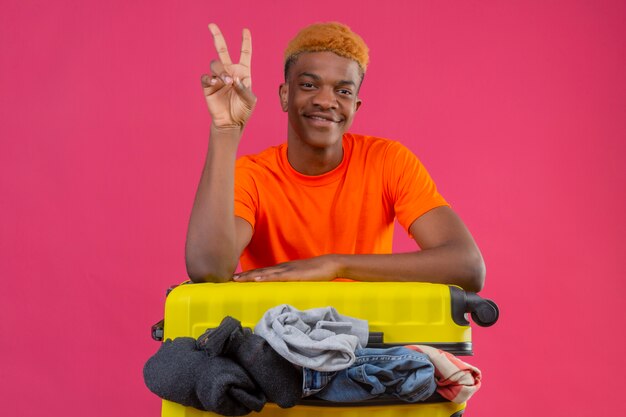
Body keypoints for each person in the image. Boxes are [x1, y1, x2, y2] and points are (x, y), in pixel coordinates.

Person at [185, 22, 485, 292]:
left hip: (368, 342)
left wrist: (333, 266)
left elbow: (468, 266)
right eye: (309, 85)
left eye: (342, 91)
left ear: (355, 107)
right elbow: (208, 269)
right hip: (272, 342)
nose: (326, 101)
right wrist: (225, 131)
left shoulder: (389, 161)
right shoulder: (252, 175)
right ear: (284, 95)